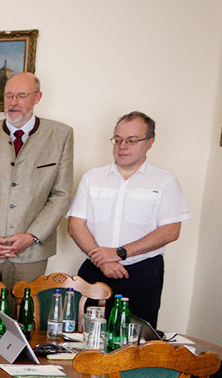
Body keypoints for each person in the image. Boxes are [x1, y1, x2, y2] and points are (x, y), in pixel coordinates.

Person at [67, 112, 188, 327]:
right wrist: (103, 260)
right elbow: (75, 224)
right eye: (118, 140)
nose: (122, 146)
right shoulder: (92, 178)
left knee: (135, 340)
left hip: (142, 273)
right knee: (83, 336)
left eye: (131, 140)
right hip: (94, 270)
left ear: (149, 142)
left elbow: (170, 231)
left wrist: (119, 253)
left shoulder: (165, 181)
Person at [0, 72, 74, 286]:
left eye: (21, 95)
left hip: (31, 254)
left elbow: (61, 195)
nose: (13, 102)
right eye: (9, 96)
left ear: (37, 97)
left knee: (24, 309)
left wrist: (32, 236)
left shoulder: (60, 135)